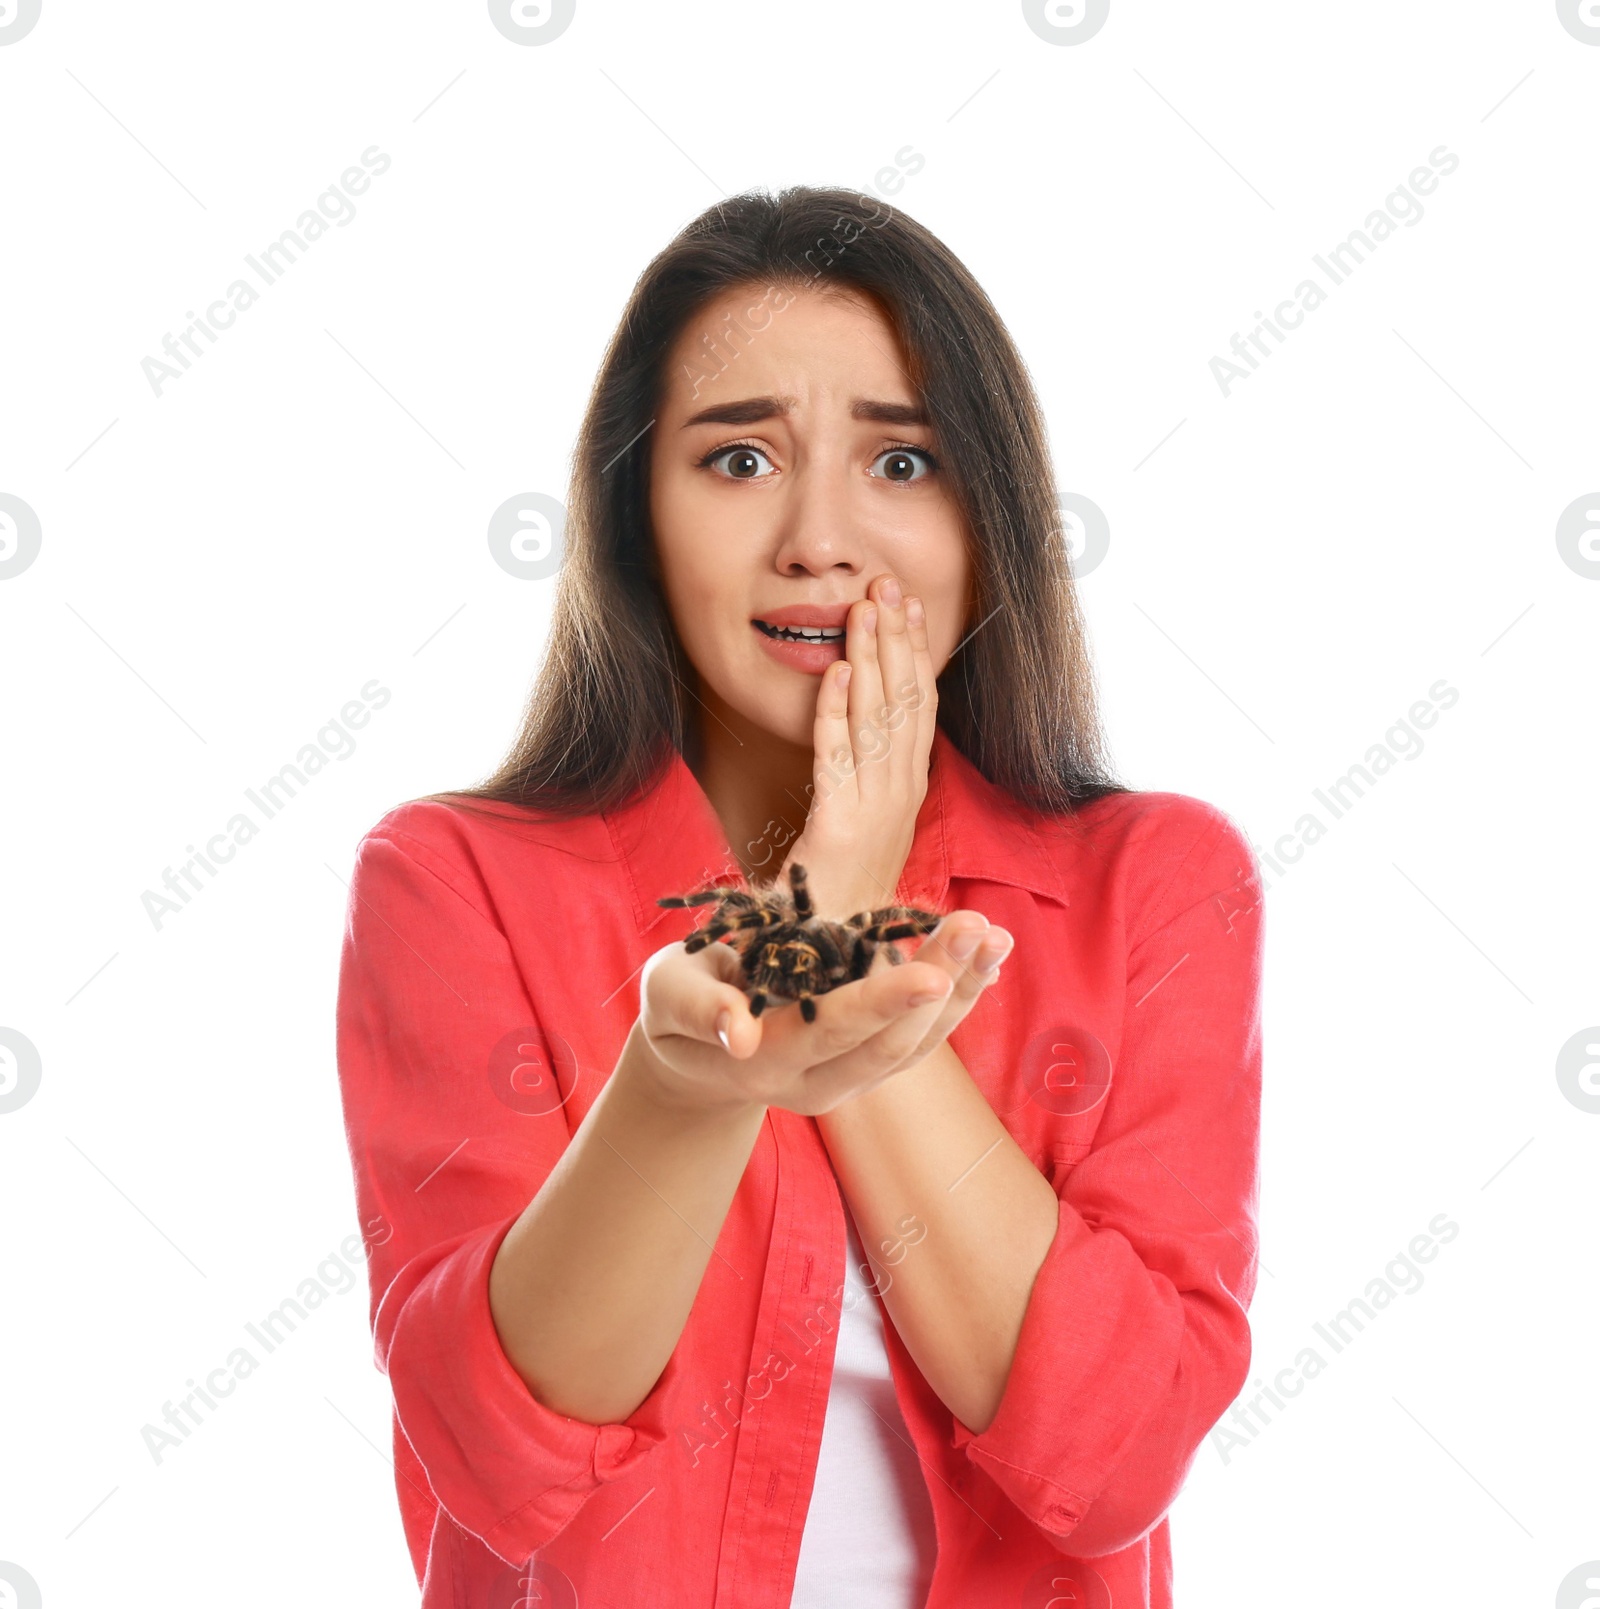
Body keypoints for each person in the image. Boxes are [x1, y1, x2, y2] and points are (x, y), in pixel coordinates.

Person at [334, 185, 1265, 1609]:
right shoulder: (456, 881)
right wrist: (773, 969)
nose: (821, 541)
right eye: (740, 457)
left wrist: (839, 910)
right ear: (637, 512)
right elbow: (497, 1456)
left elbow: (1116, 1448)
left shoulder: (1159, 882)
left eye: (902, 464)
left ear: (989, 516)